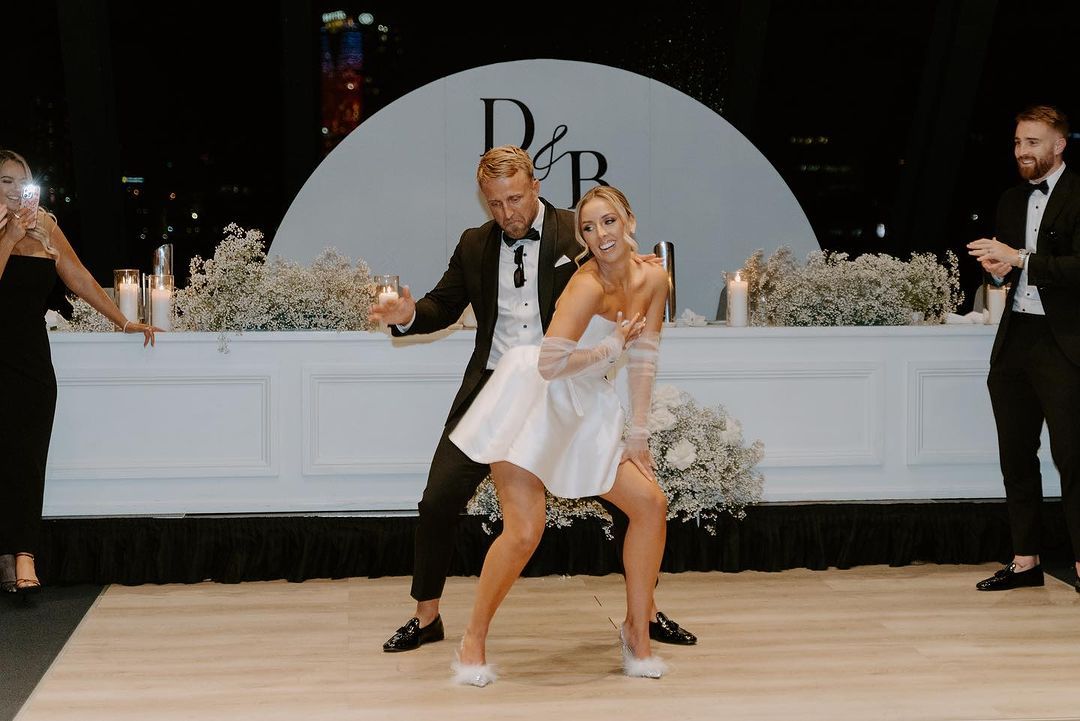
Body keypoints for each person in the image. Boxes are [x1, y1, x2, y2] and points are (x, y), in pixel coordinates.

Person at [370, 146, 696, 653]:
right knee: (438, 499)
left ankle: (644, 614)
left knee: (632, 501)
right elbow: (442, 306)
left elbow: (616, 259)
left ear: (535, 187)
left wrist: (639, 262)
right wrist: (408, 316)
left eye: (516, 199)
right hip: (495, 388)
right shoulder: (474, 244)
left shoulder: (577, 231)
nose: (508, 213)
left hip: (564, 386)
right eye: (496, 203)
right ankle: (426, 615)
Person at [446, 185, 670, 685]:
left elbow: (646, 355)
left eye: (609, 221)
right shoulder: (586, 286)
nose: (600, 234)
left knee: (650, 505)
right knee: (525, 531)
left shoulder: (656, 278)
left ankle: (637, 632)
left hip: (587, 404)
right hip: (533, 399)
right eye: (588, 228)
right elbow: (549, 364)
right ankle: (473, 639)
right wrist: (610, 346)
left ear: (629, 220)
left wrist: (638, 434)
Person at [0, 149, 159, 596]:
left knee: (27, 460)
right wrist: (10, 237)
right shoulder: (8, 231)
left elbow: (79, 277)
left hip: (30, 365)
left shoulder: (45, 226)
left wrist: (123, 321)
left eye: (22, 181)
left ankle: (24, 556)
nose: (15, 190)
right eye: (6, 181)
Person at [967, 106, 1080, 593]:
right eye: (1017, 142)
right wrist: (998, 270)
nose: (1021, 151)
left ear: (1059, 145)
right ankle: (1025, 561)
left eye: (1032, 142)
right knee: (1015, 455)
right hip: (1016, 339)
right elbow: (1010, 267)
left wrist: (1020, 258)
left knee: (1073, 457)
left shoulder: (1079, 194)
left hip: (1065, 343)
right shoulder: (1011, 199)